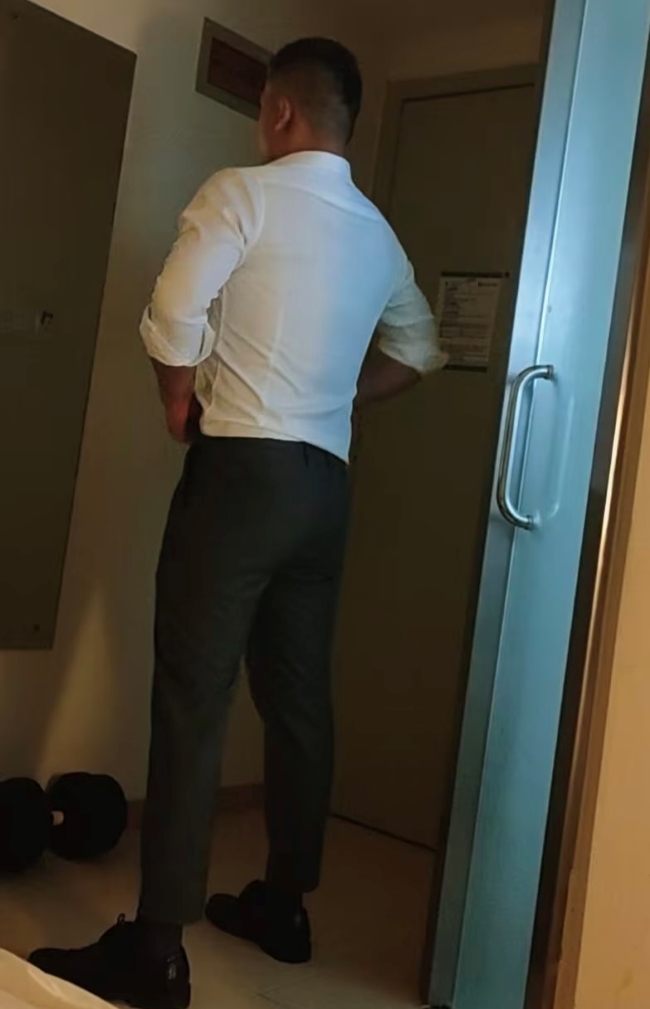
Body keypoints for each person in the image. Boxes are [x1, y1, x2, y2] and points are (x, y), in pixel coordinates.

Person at [29, 36, 444, 1009]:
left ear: (280, 111)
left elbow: (173, 311)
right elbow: (420, 349)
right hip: (324, 488)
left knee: (193, 695)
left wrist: (178, 404)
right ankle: (284, 905)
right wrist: (340, 399)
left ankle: (156, 951)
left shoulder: (243, 194)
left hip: (242, 478)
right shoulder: (377, 233)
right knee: (298, 697)